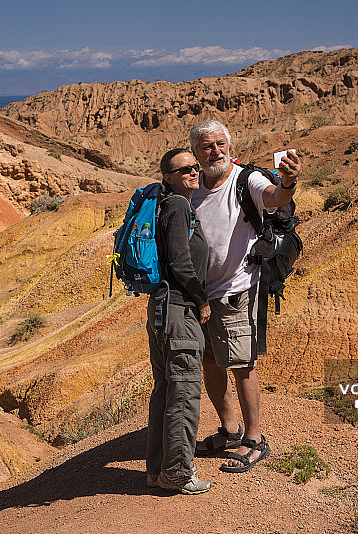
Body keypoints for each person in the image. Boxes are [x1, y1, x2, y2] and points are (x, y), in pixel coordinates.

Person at [189, 119, 301, 472]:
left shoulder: (245, 179)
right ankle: (230, 429)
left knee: (242, 365)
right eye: (207, 146)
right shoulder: (191, 188)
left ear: (230, 146)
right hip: (199, 296)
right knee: (210, 362)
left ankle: (255, 439)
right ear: (195, 152)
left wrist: (288, 181)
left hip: (237, 289)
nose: (215, 152)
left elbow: (274, 197)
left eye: (220, 144)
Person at [145, 148, 212, 494]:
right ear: (168, 177)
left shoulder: (166, 206)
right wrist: (201, 299)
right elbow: (181, 263)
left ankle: (158, 468)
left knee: (166, 391)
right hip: (180, 312)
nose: (192, 172)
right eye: (183, 169)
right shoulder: (179, 205)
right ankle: (177, 473)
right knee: (184, 393)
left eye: (194, 167)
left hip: (162, 310)